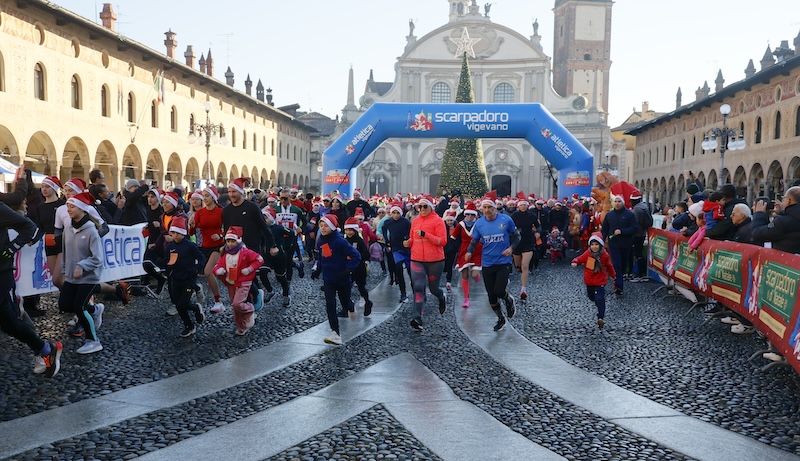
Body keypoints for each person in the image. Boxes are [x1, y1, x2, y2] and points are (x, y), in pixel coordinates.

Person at [0, 199, 62, 376]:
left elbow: (28, 226)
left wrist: (10, 249)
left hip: (1, 273)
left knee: (10, 323)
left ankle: (45, 350)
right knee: (8, 324)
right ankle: (44, 349)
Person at [464, 192, 519, 332]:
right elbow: (474, 240)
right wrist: (469, 251)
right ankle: (500, 318)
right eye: (485, 207)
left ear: (495, 208)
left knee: (499, 290)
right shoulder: (479, 223)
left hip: (503, 261)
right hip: (487, 262)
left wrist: (511, 248)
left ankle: (508, 299)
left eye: (490, 207)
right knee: (491, 296)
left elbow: (516, 237)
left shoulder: (506, 220)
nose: (487, 210)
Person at [59, 192, 105, 354]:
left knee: (79, 307)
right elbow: (65, 251)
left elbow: (98, 258)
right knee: (64, 305)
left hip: (89, 276)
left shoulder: (92, 231)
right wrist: (65, 270)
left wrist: (82, 265)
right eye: (67, 206)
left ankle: (93, 341)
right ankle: (95, 310)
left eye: (72, 206)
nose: (68, 209)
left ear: (83, 209)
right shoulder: (68, 227)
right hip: (72, 276)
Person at [311, 214, 361, 345]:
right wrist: (318, 270)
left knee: (345, 303)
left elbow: (356, 256)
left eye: (326, 226)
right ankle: (335, 333)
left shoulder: (340, 241)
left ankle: (351, 307)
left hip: (343, 278)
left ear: (332, 227)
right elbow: (323, 257)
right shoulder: (321, 240)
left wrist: (348, 270)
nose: (323, 228)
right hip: (329, 278)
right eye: (321, 226)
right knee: (330, 305)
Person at [402, 194, 448, 331]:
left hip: (435, 261)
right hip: (417, 259)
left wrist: (425, 235)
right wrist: (408, 243)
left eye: (424, 206)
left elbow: (443, 241)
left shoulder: (438, 221)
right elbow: (412, 238)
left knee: (434, 289)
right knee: (418, 287)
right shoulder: (415, 221)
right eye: (419, 206)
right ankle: (417, 318)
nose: (421, 209)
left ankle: (441, 296)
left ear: (431, 207)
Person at [213, 226, 265, 336]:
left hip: (243, 282)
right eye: (228, 241)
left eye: (233, 241)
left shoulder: (245, 252)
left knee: (237, 304)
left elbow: (259, 260)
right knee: (235, 306)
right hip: (231, 282)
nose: (230, 244)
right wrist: (219, 270)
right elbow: (218, 265)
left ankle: (250, 309)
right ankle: (241, 326)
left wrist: (249, 269)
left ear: (238, 241)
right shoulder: (225, 254)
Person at [164, 216, 206, 337]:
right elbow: (167, 262)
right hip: (175, 279)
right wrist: (163, 267)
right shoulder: (170, 247)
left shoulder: (190, 246)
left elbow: (201, 258)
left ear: (183, 233)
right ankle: (189, 326)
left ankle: (196, 308)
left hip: (189, 279)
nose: (175, 235)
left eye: (178, 233)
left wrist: (196, 269)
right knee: (178, 305)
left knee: (183, 303)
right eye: (173, 233)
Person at [190, 186, 225, 313]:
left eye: (207, 196)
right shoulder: (200, 213)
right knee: (208, 273)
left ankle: (218, 301)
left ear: (213, 197)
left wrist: (220, 235)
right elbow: (192, 232)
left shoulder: (221, 211)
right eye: (203, 196)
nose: (204, 198)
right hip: (204, 246)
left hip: (218, 246)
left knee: (208, 272)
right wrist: (191, 225)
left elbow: (228, 228)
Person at [571, 232, 616, 329]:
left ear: (600, 245)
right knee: (592, 297)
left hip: (600, 281)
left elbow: (609, 266)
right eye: (592, 245)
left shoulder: (604, 255)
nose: (594, 247)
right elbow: (580, 258)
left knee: (600, 299)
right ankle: (597, 302)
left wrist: (613, 275)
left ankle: (601, 317)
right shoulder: (588, 254)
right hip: (589, 281)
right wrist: (575, 262)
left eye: (596, 245)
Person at [600, 195, 638, 296]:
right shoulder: (609, 215)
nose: (617, 203)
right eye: (615, 201)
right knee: (616, 264)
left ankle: (621, 277)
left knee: (623, 265)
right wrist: (601, 241)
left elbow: (635, 228)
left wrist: (622, 231)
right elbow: (604, 229)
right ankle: (619, 286)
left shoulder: (629, 215)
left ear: (623, 203)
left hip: (626, 244)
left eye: (619, 201)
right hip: (614, 244)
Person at [752, 186, 800, 253]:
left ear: (788, 201)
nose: (781, 202)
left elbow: (758, 234)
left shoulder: (782, 222)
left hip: (785, 257)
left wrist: (759, 213)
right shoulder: (789, 218)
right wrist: (782, 213)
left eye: (783, 198)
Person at [452, 201, 482, 308]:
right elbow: (453, 237)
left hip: (477, 249)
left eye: (472, 215)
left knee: (474, 275)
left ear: (475, 215)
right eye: (468, 214)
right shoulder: (461, 225)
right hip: (464, 250)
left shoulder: (479, 223)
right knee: (464, 274)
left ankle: (477, 276)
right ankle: (466, 298)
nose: (469, 217)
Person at [261, 207, 291, 307]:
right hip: (267, 256)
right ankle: (270, 291)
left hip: (279, 257)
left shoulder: (279, 228)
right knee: (262, 273)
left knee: (281, 277)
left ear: (272, 218)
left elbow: (291, 233)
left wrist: (287, 246)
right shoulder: (262, 229)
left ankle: (286, 295)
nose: (264, 220)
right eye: (262, 218)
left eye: (266, 218)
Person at [382, 201, 412, 303]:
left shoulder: (406, 222)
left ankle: (416, 291)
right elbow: (383, 229)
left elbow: (411, 232)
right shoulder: (388, 222)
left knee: (410, 271)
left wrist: (408, 239)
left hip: (406, 249)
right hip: (396, 249)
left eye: (398, 213)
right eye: (394, 213)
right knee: (398, 268)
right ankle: (403, 293)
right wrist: (386, 240)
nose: (395, 215)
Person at [344, 217, 374, 316]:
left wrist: (359, 258)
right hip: (348, 268)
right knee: (346, 288)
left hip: (359, 268)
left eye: (350, 230)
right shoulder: (344, 241)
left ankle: (367, 302)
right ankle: (347, 307)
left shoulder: (359, 241)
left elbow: (366, 254)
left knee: (361, 287)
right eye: (347, 230)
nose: (348, 232)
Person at [275, 189, 307, 281]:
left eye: (285, 198)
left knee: (288, 259)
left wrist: (301, 229)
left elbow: (305, 221)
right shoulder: (276, 209)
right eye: (281, 198)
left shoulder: (296, 210)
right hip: (279, 238)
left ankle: (288, 280)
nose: (283, 201)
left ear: (290, 198)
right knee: (280, 258)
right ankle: (296, 266)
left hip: (291, 237)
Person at [511, 196, 538, 299]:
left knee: (525, 265)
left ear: (527, 206)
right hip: (517, 243)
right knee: (518, 267)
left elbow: (538, 225)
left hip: (528, 242)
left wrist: (538, 232)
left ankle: (523, 289)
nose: (523, 207)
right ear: (518, 206)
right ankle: (520, 272)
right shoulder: (514, 216)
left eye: (524, 205)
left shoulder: (532, 215)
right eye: (521, 205)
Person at [630, 192, 653, 281]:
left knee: (637, 253)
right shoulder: (644, 207)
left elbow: (635, 223)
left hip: (637, 234)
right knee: (639, 253)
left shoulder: (637, 209)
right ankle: (642, 273)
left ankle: (641, 274)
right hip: (642, 233)